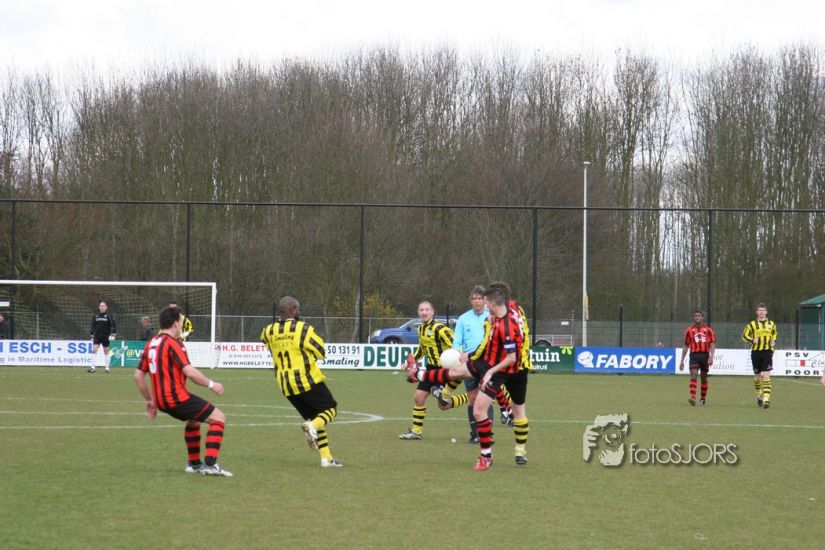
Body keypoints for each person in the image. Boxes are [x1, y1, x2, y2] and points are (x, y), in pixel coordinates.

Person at [407, 284, 530, 470]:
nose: (483, 305)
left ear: (492, 303)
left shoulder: (506, 326)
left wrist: (489, 371)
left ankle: (520, 450)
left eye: (485, 301)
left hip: (510, 367)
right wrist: (472, 356)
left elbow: (512, 357)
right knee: (468, 391)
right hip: (489, 360)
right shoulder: (511, 307)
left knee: (518, 409)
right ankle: (486, 455)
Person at [134, 305, 232, 476]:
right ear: (175, 324)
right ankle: (210, 464)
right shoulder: (173, 344)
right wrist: (212, 384)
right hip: (176, 398)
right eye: (180, 321)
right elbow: (190, 372)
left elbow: (138, 375)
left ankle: (194, 464)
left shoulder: (151, 343)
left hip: (161, 401)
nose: (181, 324)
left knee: (194, 421)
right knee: (218, 418)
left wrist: (150, 400)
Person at [260, 296, 343, 467]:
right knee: (330, 409)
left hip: (285, 384)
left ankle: (326, 458)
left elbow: (268, 346)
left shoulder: (268, 331)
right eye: (296, 309)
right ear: (292, 310)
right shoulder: (302, 328)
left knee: (315, 417)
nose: (298, 312)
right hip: (306, 380)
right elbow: (321, 351)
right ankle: (312, 427)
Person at [398, 299, 462, 440]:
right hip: (430, 369)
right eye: (421, 310)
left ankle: (470, 397)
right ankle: (416, 432)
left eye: (427, 309)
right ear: (418, 312)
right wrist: (408, 362)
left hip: (443, 371)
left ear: (433, 312)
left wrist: (458, 360)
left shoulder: (441, 329)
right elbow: (422, 350)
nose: (424, 312)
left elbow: (457, 345)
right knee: (418, 398)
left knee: (443, 406)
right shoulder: (420, 329)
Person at [742, 303, 777, 409]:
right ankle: (759, 395)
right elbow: (744, 336)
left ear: (766, 312)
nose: (761, 312)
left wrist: (774, 341)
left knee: (766, 375)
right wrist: (752, 340)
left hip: (767, 352)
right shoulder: (752, 324)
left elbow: (774, 334)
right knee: (757, 377)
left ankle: (766, 400)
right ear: (757, 312)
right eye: (760, 310)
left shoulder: (772, 324)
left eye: (763, 310)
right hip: (756, 353)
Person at [679, 310, 716, 406]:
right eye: (695, 316)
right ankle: (693, 397)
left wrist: (711, 357)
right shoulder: (689, 330)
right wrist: (682, 361)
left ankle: (702, 399)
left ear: (702, 318)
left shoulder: (708, 330)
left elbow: (712, 344)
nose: (697, 317)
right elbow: (686, 345)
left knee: (704, 377)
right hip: (694, 355)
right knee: (694, 374)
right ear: (693, 318)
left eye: (699, 316)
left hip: (704, 355)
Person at [89, 300, 117, 373]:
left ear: (106, 307)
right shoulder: (96, 316)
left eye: (103, 306)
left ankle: (107, 368)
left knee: (106, 351)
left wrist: (113, 334)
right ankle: (93, 367)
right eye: (101, 306)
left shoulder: (109, 316)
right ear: (99, 307)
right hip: (97, 335)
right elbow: (93, 325)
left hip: (106, 336)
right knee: (94, 349)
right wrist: (91, 333)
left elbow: (113, 325)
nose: (102, 307)